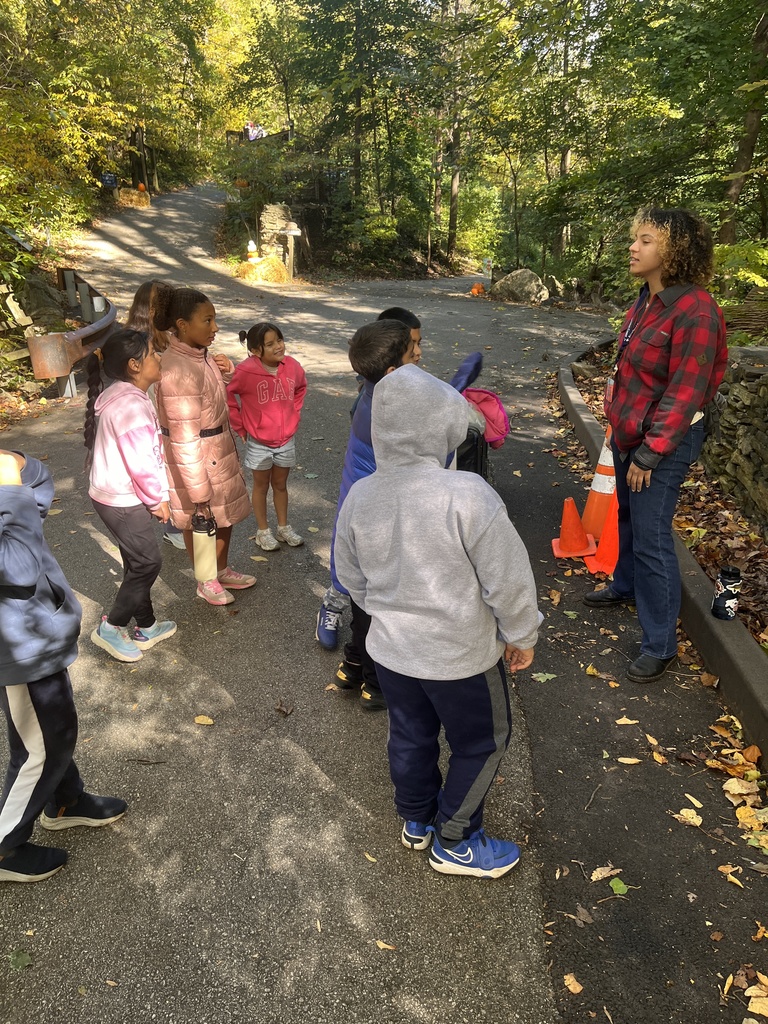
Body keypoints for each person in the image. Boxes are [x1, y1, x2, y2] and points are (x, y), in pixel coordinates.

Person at [334, 364, 541, 879]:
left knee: (410, 734)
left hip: (393, 652)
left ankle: (417, 818)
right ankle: (457, 839)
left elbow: (350, 575)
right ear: (445, 426)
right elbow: (508, 578)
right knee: (483, 741)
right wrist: (521, 633)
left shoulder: (362, 495)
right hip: (460, 657)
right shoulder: (468, 494)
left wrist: (386, 613)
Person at [584, 207, 728, 683]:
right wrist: (617, 421)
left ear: (674, 249)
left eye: (646, 240)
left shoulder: (696, 310)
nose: (633, 247)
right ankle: (625, 586)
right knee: (627, 518)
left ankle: (660, 645)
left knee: (651, 539)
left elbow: (687, 391)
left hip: (663, 443)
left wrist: (649, 452)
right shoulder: (648, 299)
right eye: (636, 238)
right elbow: (632, 371)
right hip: (631, 432)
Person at [0, 449, 127, 883]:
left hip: (34, 632)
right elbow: (17, 566)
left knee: (52, 731)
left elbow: (37, 489)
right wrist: (9, 487)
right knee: (40, 747)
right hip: (18, 645)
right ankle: (5, 845)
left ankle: (65, 801)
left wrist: (15, 463)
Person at [317, 319, 422, 711]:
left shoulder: (369, 393)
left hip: (360, 510)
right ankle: (376, 685)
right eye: (413, 351)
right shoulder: (392, 411)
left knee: (365, 598)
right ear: (393, 371)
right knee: (379, 603)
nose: (419, 355)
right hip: (379, 517)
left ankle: (352, 665)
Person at [153, 287, 255, 606]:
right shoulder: (176, 369)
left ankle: (220, 569)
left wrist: (224, 374)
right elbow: (183, 435)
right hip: (196, 455)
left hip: (217, 449)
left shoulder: (201, 354)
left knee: (224, 514)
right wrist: (196, 487)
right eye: (207, 321)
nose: (215, 328)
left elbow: (209, 399)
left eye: (214, 319)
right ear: (183, 325)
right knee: (200, 517)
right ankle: (205, 578)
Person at [84, 328, 177, 663]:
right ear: (134, 365)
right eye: (152, 353)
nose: (158, 357)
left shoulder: (124, 394)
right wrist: (157, 499)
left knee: (136, 560)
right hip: (122, 498)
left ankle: (147, 625)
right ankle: (112, 627)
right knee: (148, 562)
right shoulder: (130, 406)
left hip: (111, 494)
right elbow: (142, 463)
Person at [227, 322, 307, 551]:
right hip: (259, 442)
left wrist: (294, 413)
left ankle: (283, 528)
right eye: (269, 344)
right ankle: (263, 531)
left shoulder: (292, 366)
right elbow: (228, 395)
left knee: (280, 485)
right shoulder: (245, 371)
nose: (278, 346)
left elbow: (301, 387)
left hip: (286, 439)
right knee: (261, 486)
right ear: (255, 350)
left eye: (279, 340)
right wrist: (240, 427)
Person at [125, 280, 186, 550]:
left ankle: (175, 521)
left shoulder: (167, 336)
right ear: (152, 310)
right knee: (162, 468)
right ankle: (171, 526)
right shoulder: (136, 342)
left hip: (170, 411)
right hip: (149, 415)